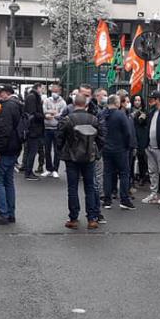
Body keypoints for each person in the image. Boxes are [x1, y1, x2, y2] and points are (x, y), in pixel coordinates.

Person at [58, 94, 104, 229]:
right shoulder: (93, 119)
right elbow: (101, 138)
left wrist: (61, 151)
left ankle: (73, 218)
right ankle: (92, 218)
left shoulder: (68, 119)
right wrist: (97, 151)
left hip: (71, 157)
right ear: (86, 104)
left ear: (73, 103)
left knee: (72, 188)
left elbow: (59, 137)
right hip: (89, 156)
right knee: (90, 188)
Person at [0, 85, 23, 225]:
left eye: (0, 93)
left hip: (5, 149)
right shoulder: (18, 105)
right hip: (14, 148)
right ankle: (10, 213)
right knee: (8, 182)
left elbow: (3, 130)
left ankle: (3, 213)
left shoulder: (6, 107)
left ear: (6, 93)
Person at [99, 94, 136, 210]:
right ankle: (124, 199)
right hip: (120, 149)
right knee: (124, 173)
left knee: (107, 173)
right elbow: (127, 132)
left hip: (106, 148)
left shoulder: (102, 114)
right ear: (116, 103)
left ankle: (107, 200)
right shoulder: (121, 115)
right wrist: (128, 145)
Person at [141, 91, 160, 207]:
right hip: (151, 146)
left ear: (158, 99)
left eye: (152, 98)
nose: (150, 100)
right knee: (152, 171)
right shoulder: (152, 111)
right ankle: (154, 194)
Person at [41, 84, 66, 178]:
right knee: (46, 150)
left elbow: (62, 114)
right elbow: (43, 110)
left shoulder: (63, 102)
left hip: (57, 128)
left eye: (56, 91)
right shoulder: (47, 100)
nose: (54, 93)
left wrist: (51, 113)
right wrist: (52, 112)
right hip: (47, 128)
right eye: (53, 91)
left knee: (57, 150)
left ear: (59, 91)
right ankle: (48, 169)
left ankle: (55, 169)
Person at [21, 83, 45, 180]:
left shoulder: (32, 96)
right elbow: (32, 113)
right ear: (38, 88)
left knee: (31, 151)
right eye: (42, 88)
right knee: (32, 151)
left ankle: (28, 171)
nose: (43, 90)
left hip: (33, 128)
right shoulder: (33, 97)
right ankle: (28, 172)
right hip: (33, 129)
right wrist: (44, 116)